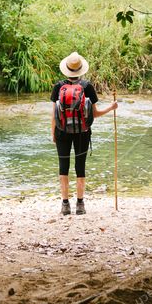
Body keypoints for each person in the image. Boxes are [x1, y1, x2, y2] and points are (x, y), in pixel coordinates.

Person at [50, 51, 118, 216]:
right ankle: (80, 204)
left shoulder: (58, 86)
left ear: (66, 69)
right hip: (82, 132)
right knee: (80, 166)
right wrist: (111, 107)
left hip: (62, 132)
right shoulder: (87, 86)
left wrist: (53, 134)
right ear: (81, 70)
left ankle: (65, 205)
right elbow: (94, 114)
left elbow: (54, 115)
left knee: (63, 167)